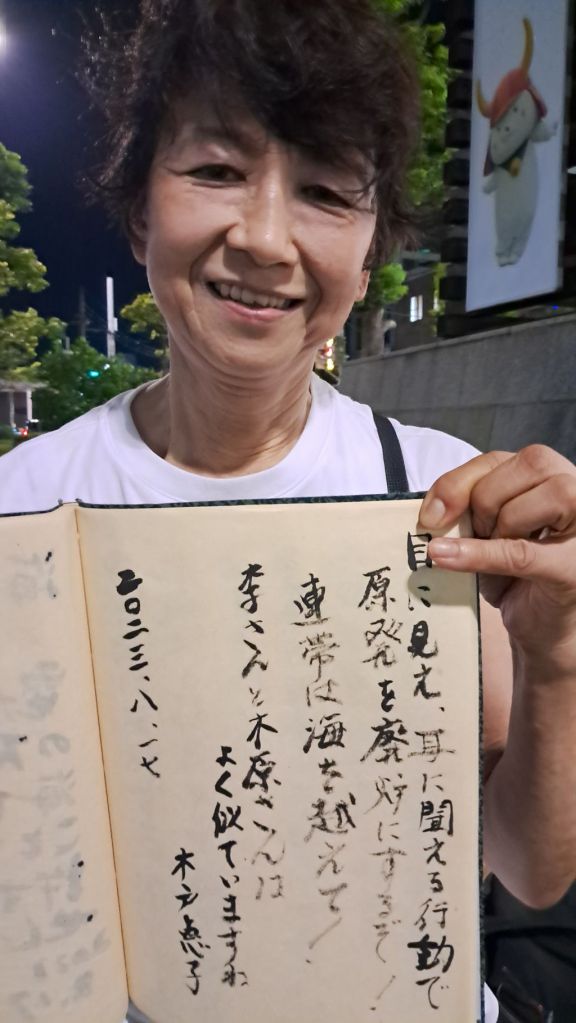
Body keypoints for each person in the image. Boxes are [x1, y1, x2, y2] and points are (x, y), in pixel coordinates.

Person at [1, 1, 575, 1020]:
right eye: (216, 170)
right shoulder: (25, 509)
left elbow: (527, 872)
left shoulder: (442, 498)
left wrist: (557, 656)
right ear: (139, 210)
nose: (265, 238)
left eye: (324, 193)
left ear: (370, 251)